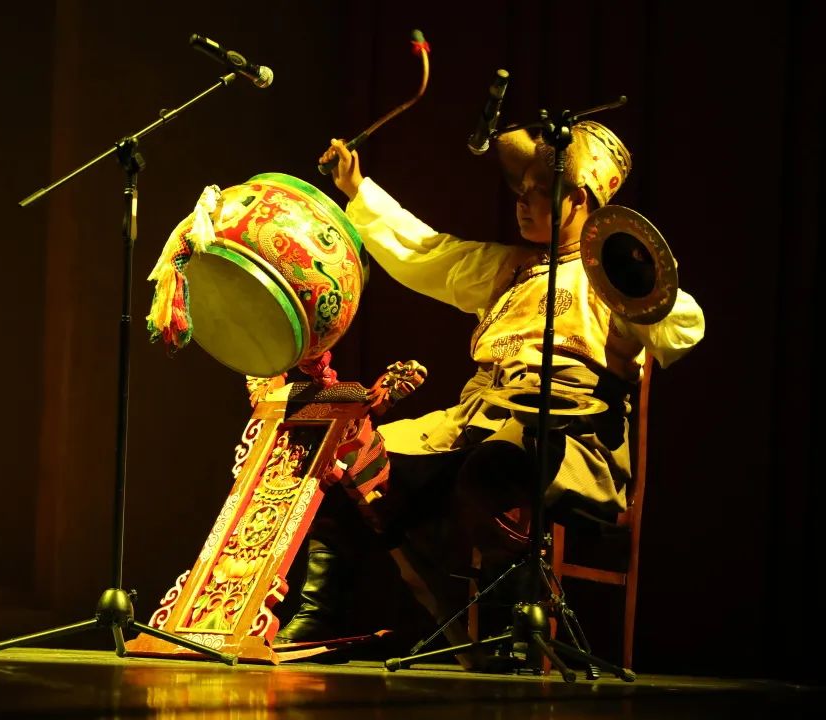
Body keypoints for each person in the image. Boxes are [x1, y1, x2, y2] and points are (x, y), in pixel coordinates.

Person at [274, 121, 705, 645]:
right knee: (349, 460)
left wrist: (633, 278)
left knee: (495, 469)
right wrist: (357, 189)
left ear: (577, 199)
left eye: (537, 192)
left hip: (571, 438)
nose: (521, 203)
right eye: (520, 190)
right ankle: (318, 616)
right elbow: (426, 252)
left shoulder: (612, 280)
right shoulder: (508, 267)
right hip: (475, 421)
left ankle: (512, 632)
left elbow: (682, 330)